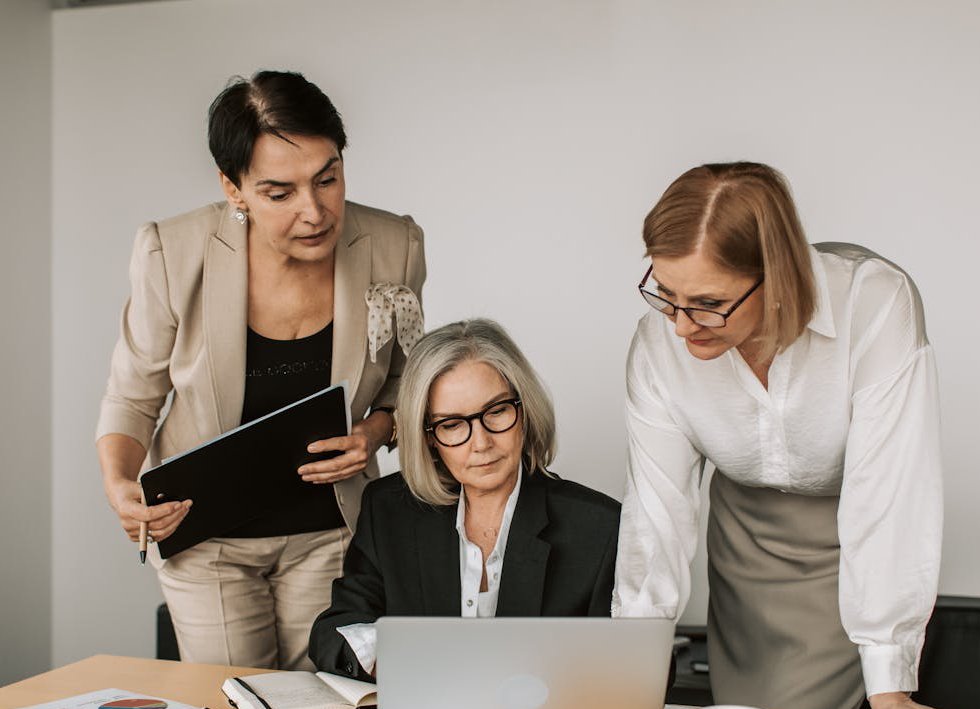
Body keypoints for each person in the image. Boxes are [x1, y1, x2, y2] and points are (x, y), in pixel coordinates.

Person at [96, 70, 426, 670]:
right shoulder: (172, 252)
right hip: (206, 537)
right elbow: (133, 395)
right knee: (234, 693)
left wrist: (373, 434)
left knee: (328, 694)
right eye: (280, 192)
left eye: (328, 178)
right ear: (234, 187)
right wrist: (121, 486)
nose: (316, 211)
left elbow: (409, 384)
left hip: (332, 529)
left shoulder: (394, 242)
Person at [613, 162, 942, 709]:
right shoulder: (657, 344)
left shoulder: (875, 305)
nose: (680, 325)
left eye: (709, 304)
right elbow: (656, 514)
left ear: (777, 273)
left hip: (856, 541)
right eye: (666, 293)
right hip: (746, 545)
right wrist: (629, 671)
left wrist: (890, 684)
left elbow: (890, 497)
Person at [309, 318, 620, 679]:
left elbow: (642, 666)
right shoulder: (388, 509)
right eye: (453, 424)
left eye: (497, 411)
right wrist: (387, 653)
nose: (481, 443)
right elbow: (334, 629)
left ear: (525, 410)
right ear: (428, 436)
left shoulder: (600, 527)